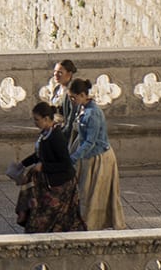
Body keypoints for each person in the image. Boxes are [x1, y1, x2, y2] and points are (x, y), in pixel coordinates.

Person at [14, 102, 86, 233]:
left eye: (37, 119)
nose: (35, 122)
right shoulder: (45, 134)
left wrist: (44, 166)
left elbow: (65, 164)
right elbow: (39, 154)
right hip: (48, 179)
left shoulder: (56, 137)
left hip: (60, 182)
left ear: (46, 119)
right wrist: (23, 164)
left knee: (50, 214)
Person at [68, 78, 126, 230]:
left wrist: (73, 158)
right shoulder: (83, 108)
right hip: (87, 155)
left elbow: (90, 142)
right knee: (84, 191)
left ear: (82, 95)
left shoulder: (92, 113)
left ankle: (90, 224)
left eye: (74, 97)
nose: (72, 101)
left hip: (97, 157)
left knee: (90, 193)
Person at [47, 60, 80, 144]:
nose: (56, 75)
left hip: (65, 132)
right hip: (54, 130)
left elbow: (72, 115)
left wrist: (64, 133)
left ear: (69, 74)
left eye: (60, 73)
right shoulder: (57, 89)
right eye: (55, 72)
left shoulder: (71, 92)